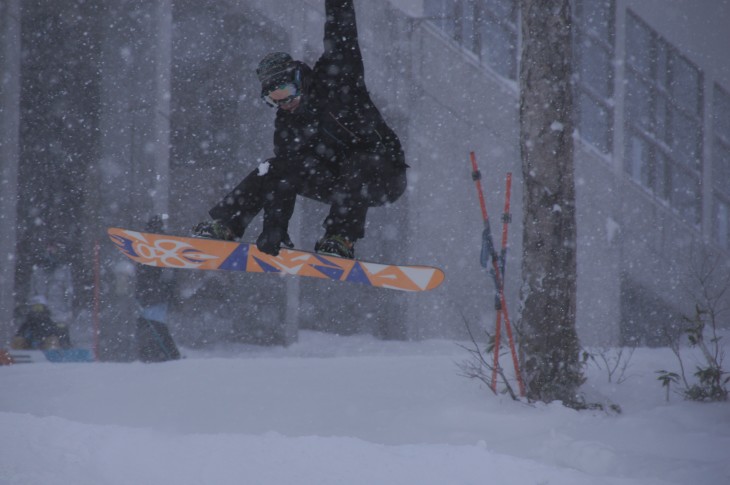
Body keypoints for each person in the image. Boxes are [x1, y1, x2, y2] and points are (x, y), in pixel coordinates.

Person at [193, 0, 407, 259]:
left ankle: (340, 238)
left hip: (381, 174)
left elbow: (341, 29)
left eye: (285, 92)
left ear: (299, 81)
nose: (284, 102)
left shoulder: (336, 80)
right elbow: (286, 178)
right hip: (334, 181)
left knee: (357, 161)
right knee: (272, 168)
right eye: (274, 98)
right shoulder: (287, 125)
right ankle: (226, 225)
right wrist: (274, 226)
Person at [135, 215, 181, 362]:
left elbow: (168, 274)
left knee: (154, 325)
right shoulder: (151, 247)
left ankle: (169, 355)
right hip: (153, 294)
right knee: (151, 324)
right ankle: (155, 354)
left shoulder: (154, 247)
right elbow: (170, 275)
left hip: (154, 294)